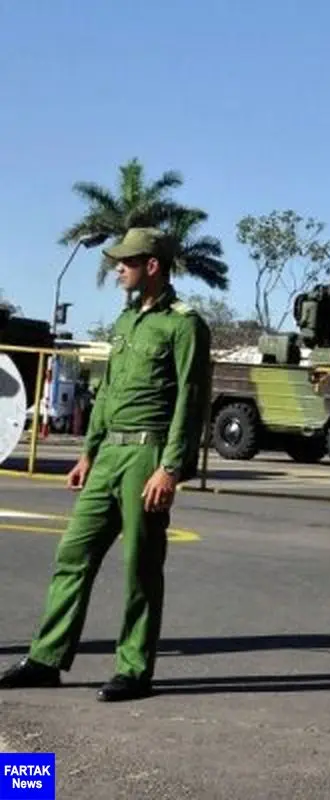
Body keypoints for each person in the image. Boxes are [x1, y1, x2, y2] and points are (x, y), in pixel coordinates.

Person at [0, 227, 211, 702]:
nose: (118, 268)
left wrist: (170, 468)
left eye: (127, 261)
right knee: (72, 553)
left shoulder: (184, 325)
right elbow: (109, 392)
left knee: (140, 564)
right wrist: (89, 452)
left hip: (148, 453)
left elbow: (190, 403)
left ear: (151, 266)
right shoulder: (124, 322)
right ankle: (46, 657)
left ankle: (134, 669)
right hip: (109, 453)